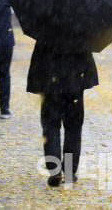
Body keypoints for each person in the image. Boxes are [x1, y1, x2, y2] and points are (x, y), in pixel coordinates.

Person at [28, 38, 98, 186]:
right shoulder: (81, 25)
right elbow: (86, 54)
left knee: (50, 125)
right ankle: (69, 170)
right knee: (73, 125)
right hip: (75, 80)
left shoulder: (45, 24)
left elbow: (38, 57)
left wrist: (37, 80)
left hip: (50, 81)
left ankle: (54, 170)